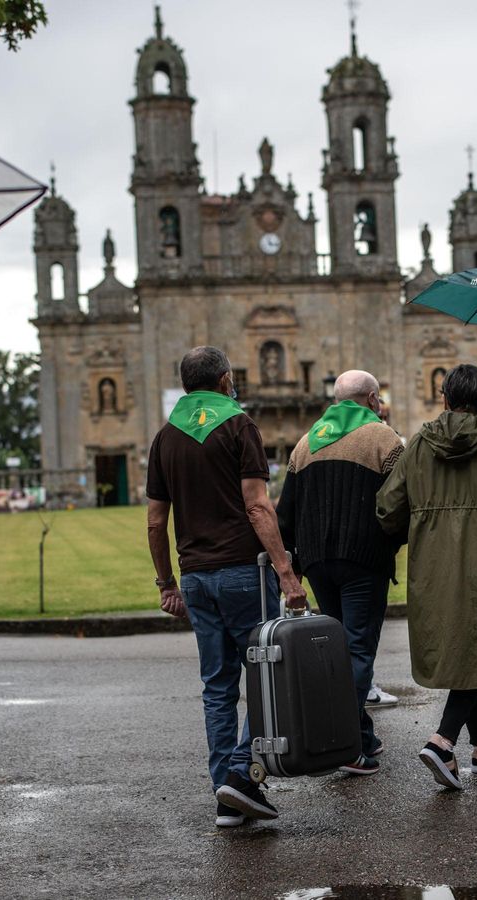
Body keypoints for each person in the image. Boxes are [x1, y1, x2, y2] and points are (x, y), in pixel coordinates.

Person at [145, 346, 308, 828]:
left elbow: (156, 523)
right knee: (268, 677)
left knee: (217, 687)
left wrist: (166, 583)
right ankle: (240, 776)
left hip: (195, 577)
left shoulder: (166, 437)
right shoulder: (240, 425)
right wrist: (285, 570)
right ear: (224, 379)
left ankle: (227, 797)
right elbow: (257, 506)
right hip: (243, 571)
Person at [376, 364, 477, 789]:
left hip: (433, 567)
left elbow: (388, 509)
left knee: (467, 649)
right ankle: (443, 742)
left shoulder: (420, 443)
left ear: (444, 398)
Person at [276, 369, 405, 775]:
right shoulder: (385, 439)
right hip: (363, 558)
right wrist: (393, 543)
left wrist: (294, 566)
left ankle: (362, 736)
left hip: (317, 561)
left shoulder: (304, 443)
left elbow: (286, 514)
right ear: (370, 399)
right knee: (359, 649)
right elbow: (402, 503)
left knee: (337, 649)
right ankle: (343, 745)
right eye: (378, 398)